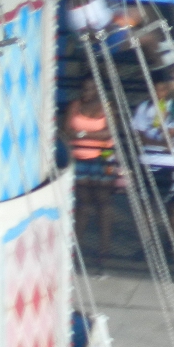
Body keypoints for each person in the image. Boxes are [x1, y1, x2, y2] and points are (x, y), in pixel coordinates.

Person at [63, 78, 118, 267]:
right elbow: (67, 130)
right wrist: (90, 135)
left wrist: (82, 134)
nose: (86, 91)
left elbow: (108, 133)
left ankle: (105, 248)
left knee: (103, 202)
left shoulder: (106, 107)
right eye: (84, 87)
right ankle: (76, 247)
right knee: (82, 203)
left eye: (90, 88)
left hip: (101, 159)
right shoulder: (75, 105)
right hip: (79, 159)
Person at [131, 76, 174, 243]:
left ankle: (171, 245)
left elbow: (170, 140)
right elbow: (139, 138)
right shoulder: (143, 108)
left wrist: (162, 125)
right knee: (147, 205)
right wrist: (158, 142)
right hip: (148, 161)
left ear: (167, 91)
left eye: (161, 90)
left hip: (171, 163)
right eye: (154, 89)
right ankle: (149, 245)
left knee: (173, 206)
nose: (157, 93)